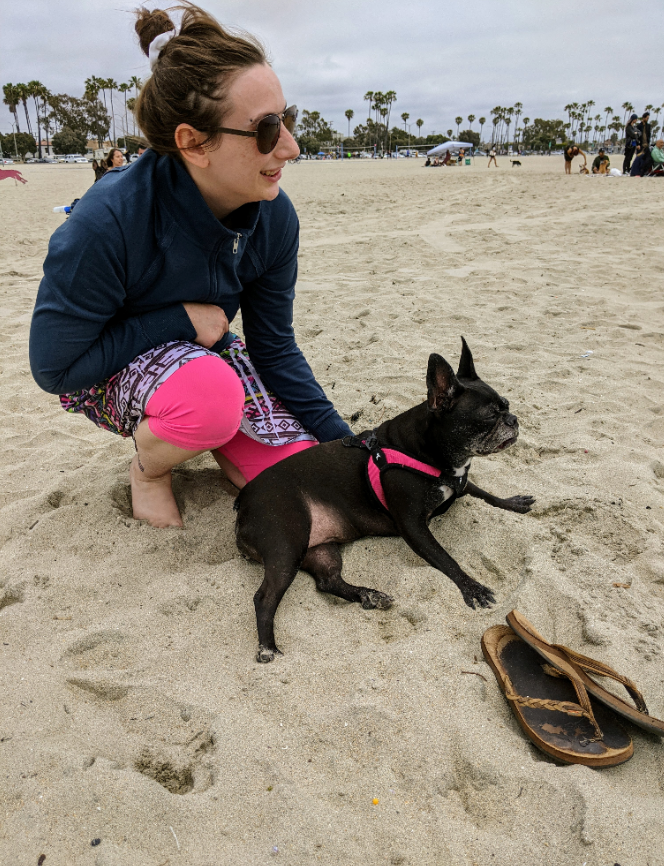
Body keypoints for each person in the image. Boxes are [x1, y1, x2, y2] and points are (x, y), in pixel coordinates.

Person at [29, 3, 352, 529]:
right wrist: (178, 320)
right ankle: (150, 469)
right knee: (210, 399)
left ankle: (212, 428)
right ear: (193, 143)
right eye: (268, 129)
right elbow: (55, 370)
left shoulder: (274, 217)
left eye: (288, 118)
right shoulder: (105, 222)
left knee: (307, 480)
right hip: (102, 370)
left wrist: (345, 442)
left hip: (207, 353)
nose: (291, 147)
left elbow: (273, 347)